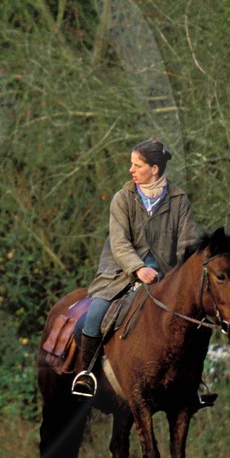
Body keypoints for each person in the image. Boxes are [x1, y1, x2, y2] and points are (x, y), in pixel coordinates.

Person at [71, 137, 204, 398]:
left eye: (137, 165)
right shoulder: (122, 199)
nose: (131, 170)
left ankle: (195, 383)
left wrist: (180, 276)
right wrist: (138, 268)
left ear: (155, 168)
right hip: (119, 274)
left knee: (196, 321)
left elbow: (188, 244)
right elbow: (119, 243)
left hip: (166, 278)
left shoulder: (179, 200)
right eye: (131, 164)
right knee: (95, 316)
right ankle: (88, 374)